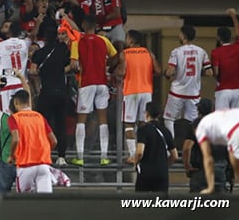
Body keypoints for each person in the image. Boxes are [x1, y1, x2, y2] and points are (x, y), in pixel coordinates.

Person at [70, 15, 118, 166]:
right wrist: (106, 65)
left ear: (83, 25)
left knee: (81, 120)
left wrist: (79, 67)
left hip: (86, 83)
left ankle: (80, 157)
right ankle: (104, 157)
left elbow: (73, 64)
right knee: (103, 120)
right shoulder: (104, 40)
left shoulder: (77, 42)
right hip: (102, 83)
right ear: (96, 26)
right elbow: (116, 56)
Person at [163, 24, 213, 140]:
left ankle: (172, 147)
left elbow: (170, 72)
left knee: (169, 118)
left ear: (183, 36)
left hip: (177, 93)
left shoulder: (176, 52)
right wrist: (197, 73)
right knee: (193, 122)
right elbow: (209, 72)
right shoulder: (201, 52)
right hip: (193, 93)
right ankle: (192, 145)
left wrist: (166, 74)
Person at [30, 27, 71, 166]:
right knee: (61, 125)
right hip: (61, 92)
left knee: (44, 126)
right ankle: (61, 157)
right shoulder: (64, 51)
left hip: (46, 92)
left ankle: (45, 154)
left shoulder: (40, 53)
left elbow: (33, 70)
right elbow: (71, 65)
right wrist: (60, 71)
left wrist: (43, 72)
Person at [119, 30, 160, 163]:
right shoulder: (148, 53)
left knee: (129, 124)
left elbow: (122, 72)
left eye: (127, 38)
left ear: (131, 40)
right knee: (144, 124)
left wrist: (115, 74)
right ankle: (146, 152)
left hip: (131, 91)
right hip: (146, 91)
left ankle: (133, 155)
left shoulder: (125, 53)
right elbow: (158, 70)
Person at [8, 89, 57, 194]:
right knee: (45, 200)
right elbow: (54, 141)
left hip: (25, 166)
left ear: (16, 102)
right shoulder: (40, 117)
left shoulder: (14, 118)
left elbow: (16, 139)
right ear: (28, 101)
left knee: (24, 200)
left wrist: (12, 156)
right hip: (43, 165)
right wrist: (44, 152)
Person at [183, 99, 230, 193]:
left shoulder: (196, 124)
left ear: (199, 110)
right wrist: (230, 172)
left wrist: (187, 166)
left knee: (198, 200)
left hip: (200, 170)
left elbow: (187, 148)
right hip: (219, 170)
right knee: (219, 200)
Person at [133, 102, 178, 193]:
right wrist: (164, 165)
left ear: (147, 113)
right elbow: (175, 156)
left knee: (141, 200)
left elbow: (140, 152)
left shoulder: (143, 129)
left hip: (146, 173)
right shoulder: (166, 131)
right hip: (162, 173)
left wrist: (135, 162)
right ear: (159, 114)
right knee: (160, 200)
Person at [195, 107, 239, 194]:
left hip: (235, 131)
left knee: (235, 159)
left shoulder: (200, 130)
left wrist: (210, 187)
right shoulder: (215, 118)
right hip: (234, 128)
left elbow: (208, 159)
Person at [213, 8, 239, 110]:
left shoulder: (216, 52)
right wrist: (233, 16)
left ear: (219, 38)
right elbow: (238, 32)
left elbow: (216, 72)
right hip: (237, 90)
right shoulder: (237, 47)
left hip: (223, 90)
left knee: (221, 117)